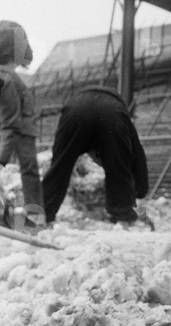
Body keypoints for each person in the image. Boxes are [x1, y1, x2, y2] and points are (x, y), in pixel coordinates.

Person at [42, 86, 150, 226]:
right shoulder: (119, 113)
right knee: (118, 166)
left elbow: (57, 158)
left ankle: (40, 216)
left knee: (59, 167)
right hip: (112, 111)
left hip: (76, 107)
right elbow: (138, 155)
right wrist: (140, 191)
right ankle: (123, 217)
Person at [0, 20, 44, 227]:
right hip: (17, 129)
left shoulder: (9, 77)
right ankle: (31, 216)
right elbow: (10, 117)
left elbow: (11, 116)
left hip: (20, 129)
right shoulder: (7, 77)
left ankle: (32, 216)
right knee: (29, 173)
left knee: (29, 173)